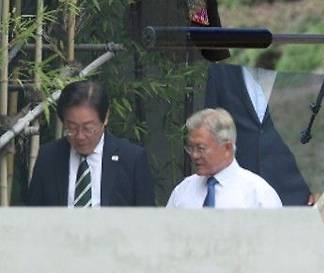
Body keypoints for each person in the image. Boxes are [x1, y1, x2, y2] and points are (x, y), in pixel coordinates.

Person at [27, 80, 155, 207]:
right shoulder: (49, 156)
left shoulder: (131, 158)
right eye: (72, 128)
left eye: (88, 128)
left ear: (105, 118)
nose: (80, 136)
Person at [205, 63, 314, 206]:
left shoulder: (301, 67)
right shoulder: (221, 70)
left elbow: (322, 127)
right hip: (239, 189)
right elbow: (211, 130)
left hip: (293, 188)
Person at [166, 107, 282, 209]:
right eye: (191, 148)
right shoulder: (183, 191)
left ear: (227, 148)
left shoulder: (258, 194)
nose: (194, 155)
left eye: (200, 148)